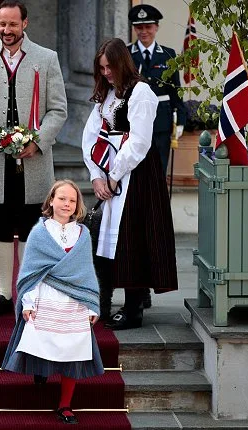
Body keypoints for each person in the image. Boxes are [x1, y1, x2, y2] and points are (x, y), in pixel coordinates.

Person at [0, 0, 67, 317]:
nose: (6, 30)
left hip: (33, 160)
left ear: (25, 23)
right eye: (1, 24)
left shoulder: (46, 59)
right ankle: (4, 293)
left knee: (31, 225)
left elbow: (58, 109)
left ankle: (28, 290)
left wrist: (38, 141)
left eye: (12, 24)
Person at [82, 38, 178, 330]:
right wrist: (97, 176)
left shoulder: (142, 93)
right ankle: (105, 302)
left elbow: (139, 141)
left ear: (122, 62)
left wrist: (114, 174)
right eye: (102, 68)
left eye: (110, 66)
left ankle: (134, 307)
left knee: (133, 237)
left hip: (137, 175)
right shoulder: (108, 94)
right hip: (110, 175)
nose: (107, 73)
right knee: (105, 239)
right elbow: (90, 136)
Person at [2, 179, 104, 425]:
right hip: (46, 295)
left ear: (77, 204)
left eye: (72, 200)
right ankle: (40, 371)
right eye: (62, 198)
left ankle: (65, 405)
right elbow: (31, 271)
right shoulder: (39, 232)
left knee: (74, 350)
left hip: (75, 300)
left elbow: (86, 271)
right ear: (51, 201)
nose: (67, 204)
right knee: (42, 340)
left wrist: (92, 304)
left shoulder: (82, 233)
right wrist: (28, 303)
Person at [128, 4, 186, 309]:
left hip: (160, 131)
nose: (144, 31)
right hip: (133, 132)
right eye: (139, 27)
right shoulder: (126, 54)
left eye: (148, 27)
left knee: (154, 195)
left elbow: (175, 95)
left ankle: (148, 281)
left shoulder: (168, 56)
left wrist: (182, 122)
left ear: (156, 28)